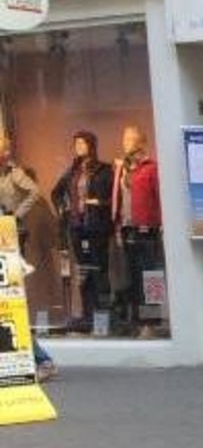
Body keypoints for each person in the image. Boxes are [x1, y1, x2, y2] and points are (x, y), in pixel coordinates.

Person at [0, 133, 52, 377]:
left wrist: (15, 215)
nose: (6, 154)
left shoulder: (14, 173)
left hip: (9, 237)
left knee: (9, 302)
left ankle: (42, 359)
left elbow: (34, 192)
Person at [51, 129, 113, 332]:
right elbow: (56, 193)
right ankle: (87, 316)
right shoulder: (72, 171)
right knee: (84, 271)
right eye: (75, 144)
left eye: (82, 143)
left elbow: (110, 198)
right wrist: (64, 211)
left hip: (96, 228)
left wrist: (98, 204)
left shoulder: (103, 169)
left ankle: (102, 317)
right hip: (77, 228)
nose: (78, 147)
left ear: (91, 146)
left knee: (99, 270)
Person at [109, 123, 163, 336]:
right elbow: (118, 198)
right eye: (124, 139)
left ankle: (151, 323)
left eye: (131, 139)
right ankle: (136, 322)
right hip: (127, 228)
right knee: (131, 277)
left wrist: (162, 224)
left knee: (151, 277)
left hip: (147, 228)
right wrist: (117, 225)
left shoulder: (151, 168)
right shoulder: (121, 169)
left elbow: (160, 197)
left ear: (142, 142)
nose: (126, 143)